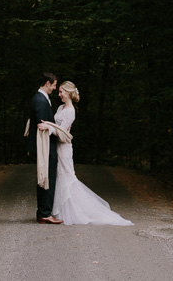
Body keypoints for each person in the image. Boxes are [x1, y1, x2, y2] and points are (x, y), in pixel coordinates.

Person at [50, 81, 132, 226]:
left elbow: (61, 131)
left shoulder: (70, 111)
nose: (59, 94)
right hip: (57, 146)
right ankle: (59, 209)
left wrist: (48, 127)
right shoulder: (60, 107)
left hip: (64, 147)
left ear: (69, 93)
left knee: (66, 176)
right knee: (59, 176)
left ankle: (72, 211)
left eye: (62, 91)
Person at [27, 72, 62, 222]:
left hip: (45, 146)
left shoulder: (39, 98)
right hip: (45, 146)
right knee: (47, 178)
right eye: (54, 85)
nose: (54, 88)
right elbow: (42, 125)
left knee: (45, 178)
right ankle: (45, 213)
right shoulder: (41, 100)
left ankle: (43, 212)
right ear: (47, 83)